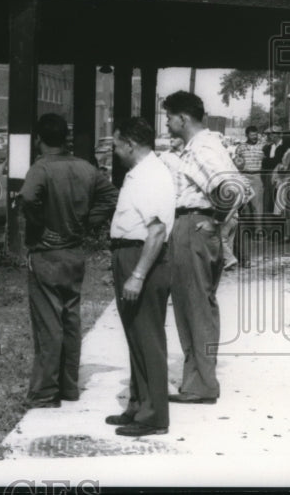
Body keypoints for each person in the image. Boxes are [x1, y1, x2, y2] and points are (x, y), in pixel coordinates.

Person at [19, 113, 118, 408]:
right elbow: (111, 196)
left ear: (39, 139)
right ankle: (69, 386)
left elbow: (26, 199)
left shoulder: (41, 168)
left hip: (47, 254)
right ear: (66, 139)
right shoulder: (86, 168)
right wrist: (89, 223)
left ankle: (45, 393)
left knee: (49, 324)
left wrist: (40, 228)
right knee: (71, 320)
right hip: (75, 253)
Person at [162, 91, 251, 405]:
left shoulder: (202, 147)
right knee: (198, 305)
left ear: (183, 118)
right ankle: (197, 380)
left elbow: (235, 188)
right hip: (196, 226)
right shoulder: (204, 144)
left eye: (169, 116)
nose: (167, 122)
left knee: (194, 307)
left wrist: (215, 222)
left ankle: (201, 384)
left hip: (193, 226)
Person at [107, 117, 176, 437]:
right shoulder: (140, 173)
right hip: (129, 254)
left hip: (141, 258)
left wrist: (137, 275)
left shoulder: (151, 176)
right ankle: (138, 404)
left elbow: (157, 230)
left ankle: (154, 416)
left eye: (116, 143)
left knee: (148, 338)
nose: (114, 149)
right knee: (136, 336)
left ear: (130, 145)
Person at [228, 125, 264, 270]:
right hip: (244, 175)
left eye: (256, 134)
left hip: (256, 176)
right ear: (247, 135)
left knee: (257, 206)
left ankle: (258, 232)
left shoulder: (263, 147)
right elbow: (236, 162)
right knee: (243, 206)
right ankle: (244, 229)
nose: (254, 137)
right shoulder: (241, 147)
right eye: (251, 134)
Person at [262, 127, 286, 214]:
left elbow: (279, 161)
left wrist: (268, 160)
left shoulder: (284, 147)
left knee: (277, 194)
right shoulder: (268, 147)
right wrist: (270, 161)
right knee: (268, 194)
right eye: (270, 134)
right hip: (269, 173)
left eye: (273, 134)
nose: (271, 136)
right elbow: (264, 162)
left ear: (279, 135)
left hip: (280, 174)